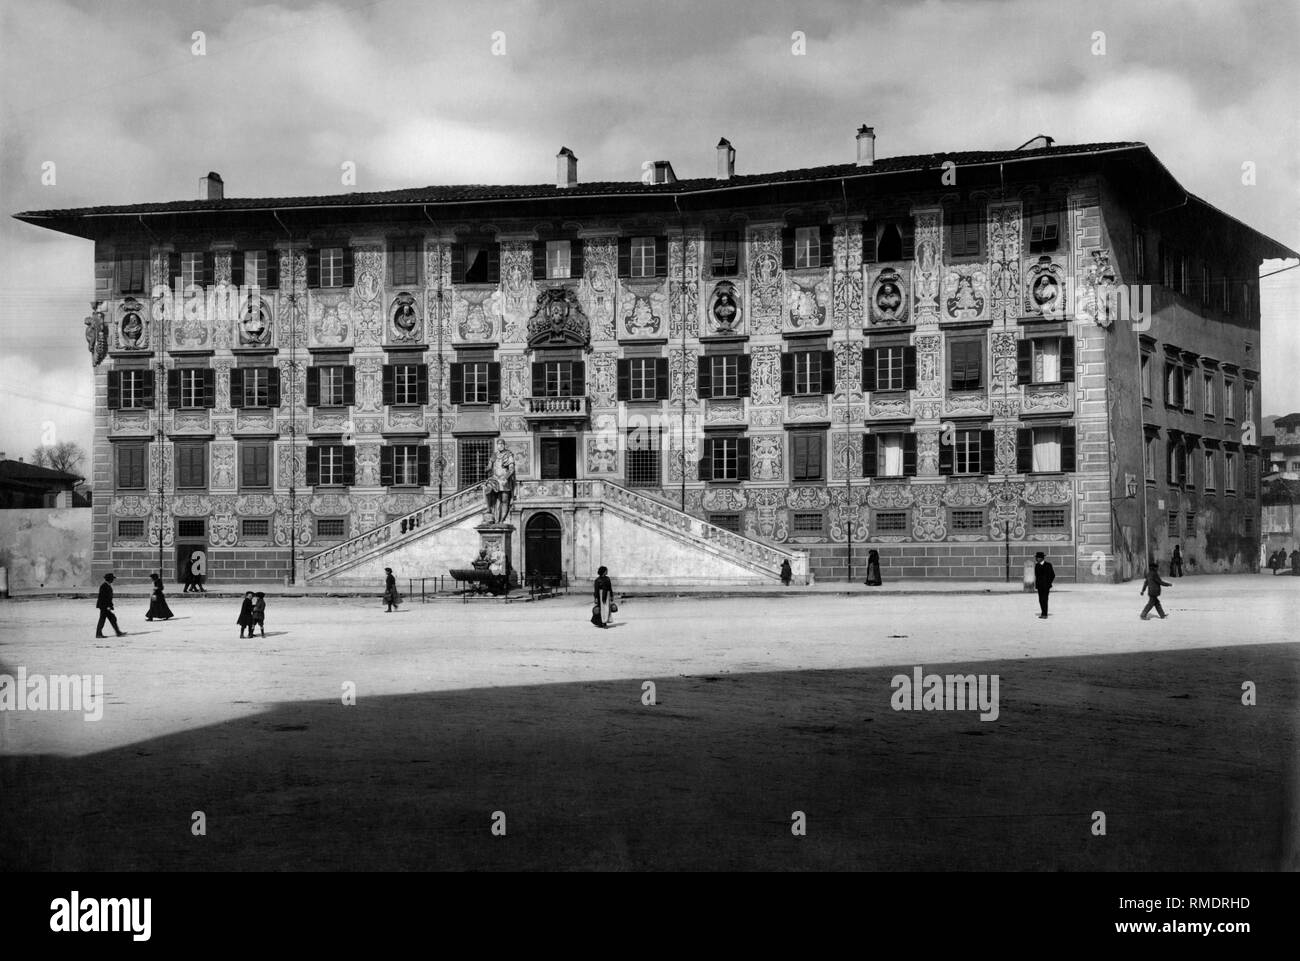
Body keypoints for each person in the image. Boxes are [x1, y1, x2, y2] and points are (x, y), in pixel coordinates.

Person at [483, 439, 517, 524]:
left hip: (504, 480)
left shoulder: (508, 455)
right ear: (497, 445)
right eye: (499, 444)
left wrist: (506, 478)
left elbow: (511, 469)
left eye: (502, 444)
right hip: (495, 479)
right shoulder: (494, 455)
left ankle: (501, 520)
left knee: (504, 500)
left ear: (504, 445)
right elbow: (489, 466)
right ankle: (489, 508)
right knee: (487, 490)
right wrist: (486, 468)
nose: (500, 445)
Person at [95, 572, 127, 638]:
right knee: (103, 619)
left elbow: (109, 597)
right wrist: (107, 606)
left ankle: (117, 632)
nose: (113, 580)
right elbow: (103, 598)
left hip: (105, 606)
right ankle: (99, 634)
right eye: (112, 579)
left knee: (111, 618)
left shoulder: (107, 585)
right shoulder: (104, 586)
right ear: (109, 579)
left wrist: (110, 605)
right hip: (104, 606)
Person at [1033, 551, 1055, 619]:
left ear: (1041, 558)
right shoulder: (1037, 565)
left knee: (1045, 599)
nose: (1036, 559)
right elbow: (1037, 576)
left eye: (1037, 558)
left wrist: (1048, 583)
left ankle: (1045, 614)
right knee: (1040, 600)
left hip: (1046, 586)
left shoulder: (1048, 565)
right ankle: (1043, 613)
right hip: (1039, 586)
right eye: (1036, 558)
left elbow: (1053, 575)